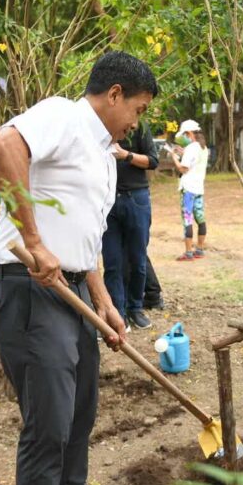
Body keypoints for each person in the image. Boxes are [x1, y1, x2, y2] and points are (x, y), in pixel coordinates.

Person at [0, 51, 157, 485]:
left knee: (80, 414)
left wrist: (104, 299)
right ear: (113, 95)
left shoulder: (106, 154)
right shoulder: (62, 115)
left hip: (77, 290)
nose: (137, 121)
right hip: (33, 291)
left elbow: (88, 236)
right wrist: (33, 240)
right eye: (138, 107)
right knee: (48, 430)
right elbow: (2, 145)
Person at [102, 121, 158, 330]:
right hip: (107, 201)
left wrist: (126, 155)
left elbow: (153, 161)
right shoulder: (100, 129)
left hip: (137, 198)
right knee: (112, 262)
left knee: (138, 260)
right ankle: (117, 311)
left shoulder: (140, 127)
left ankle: (135, 308)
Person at [169, 119, 209, 261]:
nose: (184, 138)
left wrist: (174, 157)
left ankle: (188, 252)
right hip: (199, 189)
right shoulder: (203, 148)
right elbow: (193, 159)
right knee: (200, 218)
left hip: (188, 189)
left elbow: (183, 168)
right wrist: (183, 152)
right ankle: (199, 249)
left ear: (189, 133)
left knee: (188, 219)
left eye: (185, 135)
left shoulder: (192, 148)